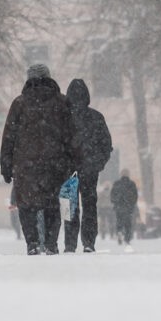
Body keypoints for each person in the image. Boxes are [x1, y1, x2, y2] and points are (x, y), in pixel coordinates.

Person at [0, 63, 78, 255]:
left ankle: (32, 243)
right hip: (55, 163)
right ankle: (51, 244)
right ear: (49, 77)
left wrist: (6, 165)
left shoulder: (19, 103)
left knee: (26, 205)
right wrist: (73, 162)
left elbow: (8, 136)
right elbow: (72, 136)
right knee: (52, 205)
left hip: (26, 164)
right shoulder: (62, 102)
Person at [63, 78, 112, 253]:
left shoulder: (63, 117)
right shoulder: (96, 117)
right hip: (89, 169)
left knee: (69, 206)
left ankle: (70, 244)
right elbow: (106, 145)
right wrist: (98, 163)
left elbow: (56, 143)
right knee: (89, 205)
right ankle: (89, 242)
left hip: (68, 171)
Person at [111, 170, 139, 246]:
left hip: (119, 207)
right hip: (128, 207)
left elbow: (112, 195)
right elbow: (135, 195)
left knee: (119, 221)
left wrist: (115, 203)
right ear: (128, 175)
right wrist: (132, 204)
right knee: (128, 223)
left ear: (121, 175)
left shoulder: (116, 184)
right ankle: (127, 238)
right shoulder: (131, 184)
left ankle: (119, 232)